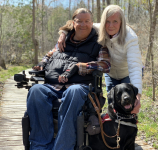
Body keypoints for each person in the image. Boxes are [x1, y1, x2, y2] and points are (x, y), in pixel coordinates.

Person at [28, 8, 110, 150]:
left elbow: (105, 65)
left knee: (75, 91)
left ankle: (62, 146)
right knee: (36, 90)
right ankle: (40, 146)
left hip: (79, 86)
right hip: (53, 86)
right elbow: (49, 55)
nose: (83, 25)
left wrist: (81, 66)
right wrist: (42, 64)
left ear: (92, 23)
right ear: (73, 22)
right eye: (79, 21)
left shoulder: (99, 43)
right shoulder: (63, 40)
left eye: (87, 21)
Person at [58, 5, 143, 114]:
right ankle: (111, 129)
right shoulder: (99, 28)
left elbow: (135, 67)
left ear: (121, 22)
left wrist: (138, 96)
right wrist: (63, 33)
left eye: (115, 21)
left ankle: (128, 129)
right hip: (111, 73)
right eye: (107, 21)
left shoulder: (130, 37)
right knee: (113, 103)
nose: (110, 26)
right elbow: (78, 24)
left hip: (127, 73)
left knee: (130, 105)